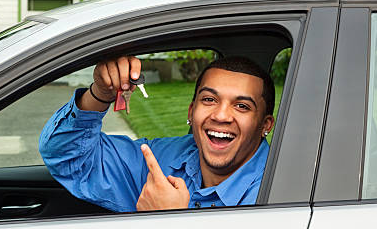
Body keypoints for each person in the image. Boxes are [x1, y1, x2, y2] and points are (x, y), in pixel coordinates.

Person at [39, 55, 275, 212]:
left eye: (242, 106)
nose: (221, 116)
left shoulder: (280, 191)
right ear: (192, 112)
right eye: (209, 99)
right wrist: (100, 94)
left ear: (265, 125)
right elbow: (68, 159)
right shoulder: (160, 160)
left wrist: (167, 222)